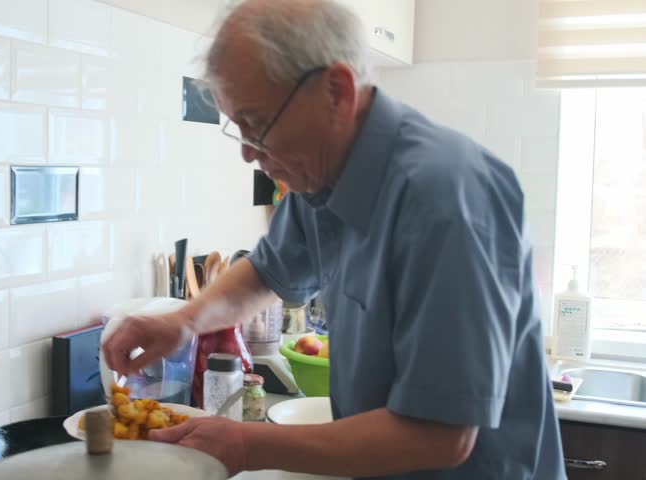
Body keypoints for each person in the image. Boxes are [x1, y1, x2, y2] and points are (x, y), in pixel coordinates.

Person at [102, 0, 566, 478]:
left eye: (257, 126)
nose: (247, 154)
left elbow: (442, 435)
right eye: (237, 129)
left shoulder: (447, 198)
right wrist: (183, 321)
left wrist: (247, 445)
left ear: (336, 91)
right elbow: (268, 272)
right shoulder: (321, 173)